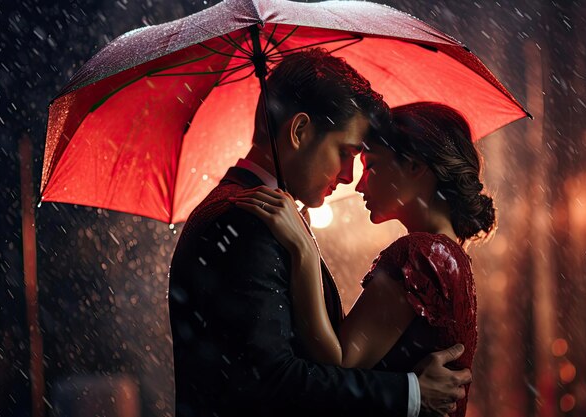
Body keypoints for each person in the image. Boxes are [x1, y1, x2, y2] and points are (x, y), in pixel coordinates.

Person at [169, 49, 471, 417]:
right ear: (299, 131)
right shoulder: (247, 222)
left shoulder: (260, 215)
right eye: (346, 152)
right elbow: (272, 382)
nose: (349, 177)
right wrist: (409, 393)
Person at [233, 101, 495, 417]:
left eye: (370, 166)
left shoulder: (419, 255)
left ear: (414, 167)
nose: (358, 184)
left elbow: (337, 362)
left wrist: (302, 251)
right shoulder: (449, 254)